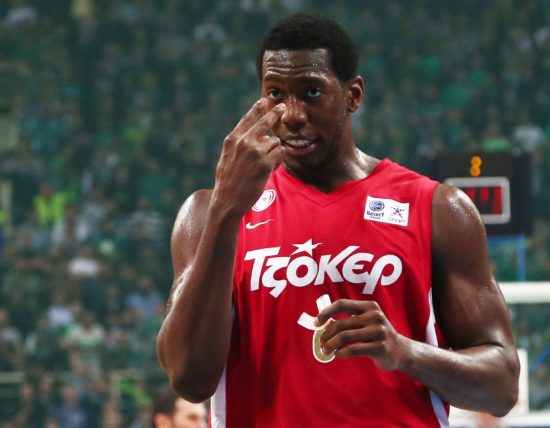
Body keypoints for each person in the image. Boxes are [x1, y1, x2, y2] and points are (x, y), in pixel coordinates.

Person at [156, 12, 520, 427]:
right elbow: (188, 378)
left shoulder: (437, 208)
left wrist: (405, 351)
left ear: (353, 95)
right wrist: (226, 209)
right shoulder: (209, 213)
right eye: (275, 94)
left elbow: (502, 386)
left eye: (311, 92)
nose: (291, 114)